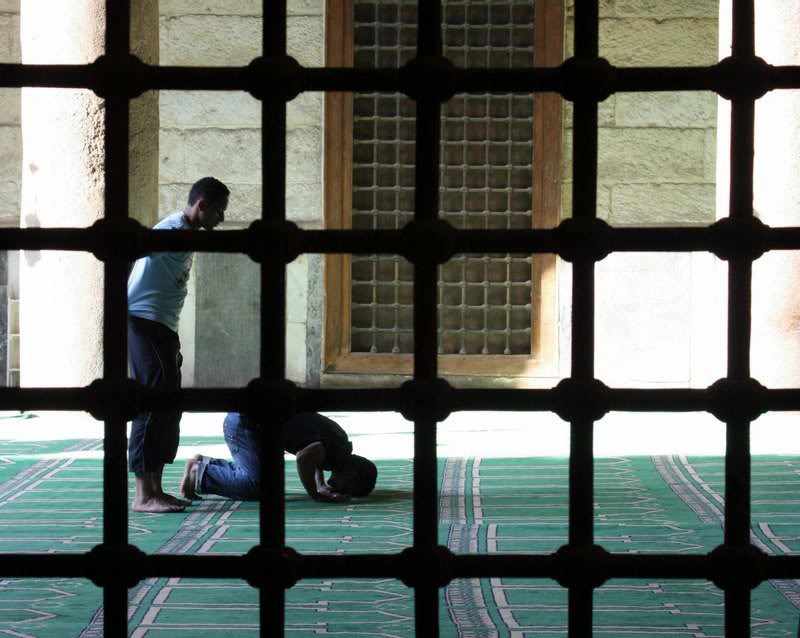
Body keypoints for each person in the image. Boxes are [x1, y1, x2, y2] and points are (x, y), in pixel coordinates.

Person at [128, 177, 230, 513]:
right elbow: (131, 251)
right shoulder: (171, 229)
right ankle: (143, 495)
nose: (221, 219)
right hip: (145, 323)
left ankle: (156, 488)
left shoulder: (185, 233)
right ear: (201, 206)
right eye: (218, 211)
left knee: (169, 405)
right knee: (153, 402)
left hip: (163, 327)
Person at [179, 412, 378, 503]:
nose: (342, 490)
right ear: (351, 473)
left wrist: (321, 484)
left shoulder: (340, 446)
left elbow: (315, 452)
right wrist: (315, 495)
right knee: (261, 488)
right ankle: (200, 474)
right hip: (245, 426)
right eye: (348, 488)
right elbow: (304, 458)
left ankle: (202, 464)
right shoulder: (335, 451)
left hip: (254, 426)